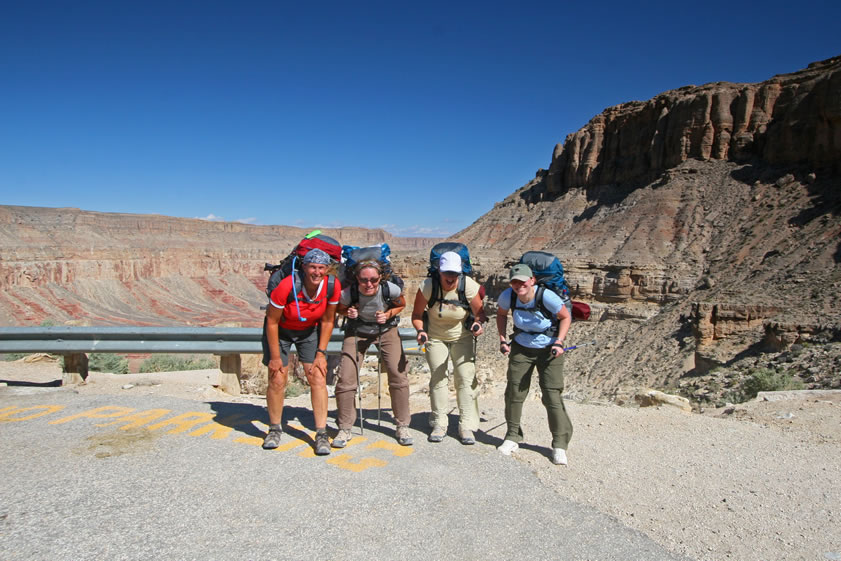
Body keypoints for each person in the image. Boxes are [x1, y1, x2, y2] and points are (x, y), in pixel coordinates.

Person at [262, 248, 341, 455]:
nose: (317, 272)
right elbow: (271, 321)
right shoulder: (288, 285)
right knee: (277, 378)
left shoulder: (332, 285)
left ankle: (321, 433)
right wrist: (276, 357)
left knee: (317, 376)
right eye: (312, 267)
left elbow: (328, 320)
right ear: (304, 267)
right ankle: (274, 428)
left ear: (327, 269)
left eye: (321, 268)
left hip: (309, 331)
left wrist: (321, 353)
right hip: (280, 331)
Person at [496, 263, 573, 465]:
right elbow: (501, 314)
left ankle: (559, 444)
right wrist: (503, 340)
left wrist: (559, 341)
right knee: (514, 392)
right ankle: (512, 436)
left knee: (551, 395)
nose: (518, 285)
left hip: (549, 350)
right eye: (514, 282)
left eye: (522, 281)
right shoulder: (508, 296)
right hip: (522, 347)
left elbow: (565, 317)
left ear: (532, 281)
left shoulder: (546, 296)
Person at [334, 260, 413, 447]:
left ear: (380, 278)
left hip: (386, 331)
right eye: (364, 280)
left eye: (373, 280)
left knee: (398, 375)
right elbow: (337, 307)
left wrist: (388, 314)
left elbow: (401, 303)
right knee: (346, 379)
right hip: (356, 332)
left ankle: (402, 424)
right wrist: (348, 312)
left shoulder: (389, 289)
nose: (369, 284)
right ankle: (345, 427)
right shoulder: (349, 293)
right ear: (357, 279)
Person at [411, 251, 485, 444]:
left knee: (465, 378)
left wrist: (477, 325)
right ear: (440, 271)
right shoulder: (428, 286)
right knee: (438, 377)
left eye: (454, 273)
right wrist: (421, 331)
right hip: (435, 337)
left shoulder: (467, 285)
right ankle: (439, 422)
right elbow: (417, 315)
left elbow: (480, 314)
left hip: (462, 337)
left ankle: (467, 425)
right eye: (447, 273)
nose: (451, 278)